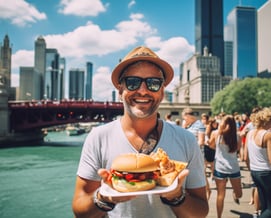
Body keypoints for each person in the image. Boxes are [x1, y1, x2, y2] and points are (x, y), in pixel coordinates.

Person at [72, 46, 209, 218]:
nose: (143, 90)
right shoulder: (97, 138)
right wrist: (103, 198)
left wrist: (176, 196)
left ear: (162, 92)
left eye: (153, 83)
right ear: (120, 90)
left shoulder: (187, 140)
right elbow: (79, 210)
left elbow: (201, 212)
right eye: (133, 82)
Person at [208, 114, 243, 218]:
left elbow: (211, 145)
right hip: (221, 168)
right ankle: (219, 216)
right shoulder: (235, 136)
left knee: (239, 194)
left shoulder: (216, 134)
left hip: (232, 168)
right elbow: (237, 148)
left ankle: (234, 194)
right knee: (221, 195)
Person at [245, 107, 271, 218]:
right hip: (266, 172)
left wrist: (251, 169)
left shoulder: (250, 133)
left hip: (255, 171)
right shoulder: (267, 135)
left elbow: (246, 157)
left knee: (264, 204)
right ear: (267, 121)